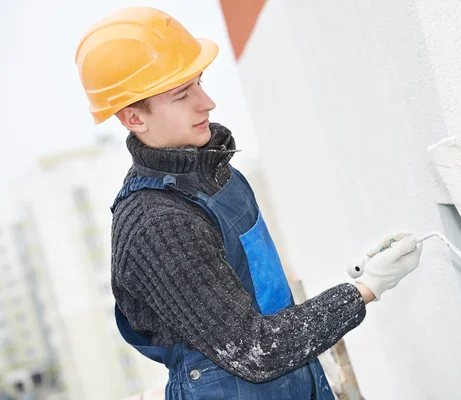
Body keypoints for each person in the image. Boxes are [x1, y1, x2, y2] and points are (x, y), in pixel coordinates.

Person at [75, 6, 423, 400]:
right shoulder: (156, 225)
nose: (207, 103)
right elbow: (253, 351)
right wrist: (367, 286)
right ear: (134, 119)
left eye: (199, 83)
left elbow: (267, 306)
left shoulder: (221, 176)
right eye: (182, 94)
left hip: (299, 381)